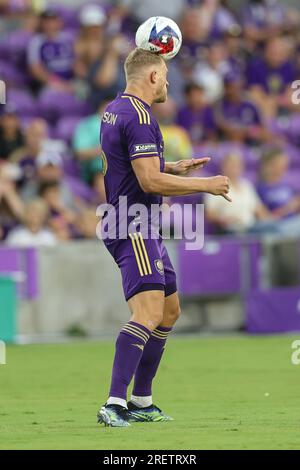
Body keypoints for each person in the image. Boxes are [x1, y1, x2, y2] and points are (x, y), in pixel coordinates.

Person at [97, 48, 230, 427]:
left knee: (169, 312)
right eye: (166, 75)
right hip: (131, 224)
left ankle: (141, 401)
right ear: (153, 76)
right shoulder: (140, 117)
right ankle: (113, 403)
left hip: (139, 222)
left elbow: (131, 165)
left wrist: (172, 166)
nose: (169, 82)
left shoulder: (115, 109)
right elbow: (148, 180)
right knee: (148, 313)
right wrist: (206, 185)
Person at [205, 153, 271, 233]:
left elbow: (258, 209)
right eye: (231, 166)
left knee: (274, 227)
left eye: (237, 166)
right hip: (232, 228)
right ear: (223, 167)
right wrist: (224, 220)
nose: (234, 169)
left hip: (252, 226)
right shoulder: (216, 186)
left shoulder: (246, 185)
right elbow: (210, 214)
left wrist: (271, 221)